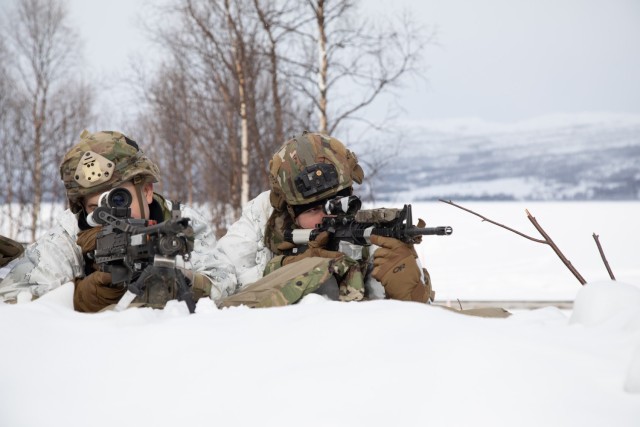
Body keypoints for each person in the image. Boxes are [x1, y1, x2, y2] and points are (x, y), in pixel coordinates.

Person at [0, 130, 234, 311]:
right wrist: (80, 296)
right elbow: (13, 301)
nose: (110, 214)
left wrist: (179, 279)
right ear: (81, 208)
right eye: (95, 208)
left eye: (119, 199)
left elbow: (225, 283)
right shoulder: (70, 233)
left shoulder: (179, 221)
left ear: (147, 192)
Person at [213, 131, 435, 307]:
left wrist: (409, 296)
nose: (329, 217)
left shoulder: (370, 236)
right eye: (314, 210)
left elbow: (402, 326)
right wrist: (288, 270)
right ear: (290, 212)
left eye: (339, 204)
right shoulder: (262, 218)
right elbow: (219, 287)